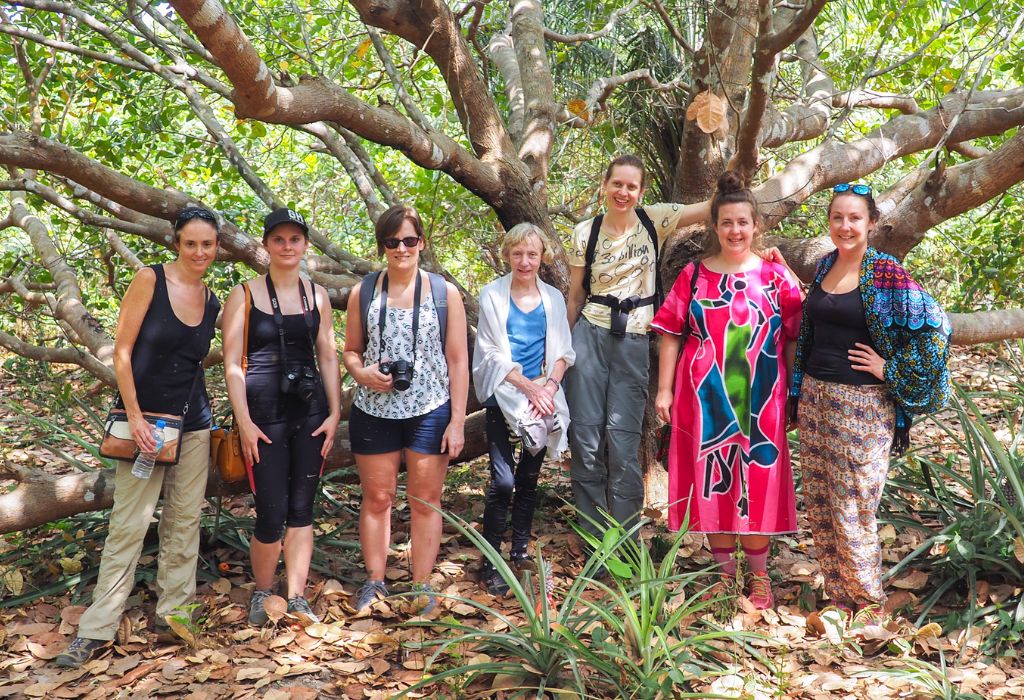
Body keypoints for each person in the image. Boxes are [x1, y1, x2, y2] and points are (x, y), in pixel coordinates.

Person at [56, 207, 221, 668]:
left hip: (193, 426)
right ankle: (97, 629)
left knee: (185, 523)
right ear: (177, 243)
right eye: (191, 243)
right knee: (129, 525)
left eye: (207, 244)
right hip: (143, 425)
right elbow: (122, 351)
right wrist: (135, 416)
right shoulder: (151, 279)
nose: (200, 252)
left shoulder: (211, 300)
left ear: (217, 248)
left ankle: (176, 615)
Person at [787, 183, 951, 624]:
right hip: (817, 400)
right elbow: (808, 333)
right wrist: (798, 392)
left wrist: (889, 368)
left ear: (871, 223)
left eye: (854, 218)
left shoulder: (886, 274)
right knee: (821, 502)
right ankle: (840, 597)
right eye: (837, 217)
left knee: (854, 503)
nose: (845, 225)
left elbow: (936, 328)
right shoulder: (825, 265)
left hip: (862, 405)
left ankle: (869, 605)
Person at [650, 172, 803, 609]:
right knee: (714, 480)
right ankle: (723, 577)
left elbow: (793, 334)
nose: (736, 231)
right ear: (714, 227)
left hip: (763, 396)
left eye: (743, 223)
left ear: (755, 225)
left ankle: (758, 577)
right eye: (727, 223)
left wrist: (793, 392)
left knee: (758, 477)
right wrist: (664, 391)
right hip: (704, 396)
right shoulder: (694, 276)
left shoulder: (776, 276)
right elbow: (671, 334)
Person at [565, 154, 708, 547]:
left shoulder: (654, 219)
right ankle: (593, 536)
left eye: (631, 186)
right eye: (617, 184)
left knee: (624, 439)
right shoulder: (585, 232)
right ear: (604, 186)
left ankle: (625, 540)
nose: (623, 192)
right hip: (590, 335)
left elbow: (716, 208)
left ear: (641, 191)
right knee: (586, 437)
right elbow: (576, 294)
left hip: (633, 339)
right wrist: (562, 350)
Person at [343, 205, 468, 614]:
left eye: (409, 240)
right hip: (374, 409)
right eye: (392, 241)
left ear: (422, 243)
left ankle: (421, 585)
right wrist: (361, 374)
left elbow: (458, 361)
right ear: (383, 246)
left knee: (425, 500)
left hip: (429, 408)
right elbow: (350, 351)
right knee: (377, 498)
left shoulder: (443, 293)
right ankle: (375, 581)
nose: (402, 248)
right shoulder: (365, 291)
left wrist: (457, 422)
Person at [222, 207, 342, 626]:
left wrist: (334, 411)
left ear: (305, 244)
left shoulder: (318, 295)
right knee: (270, 512)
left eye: (295, 239)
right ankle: (262, 591)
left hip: (309, 413)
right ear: (266, 245)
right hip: (263, 416)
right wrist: (244, 422)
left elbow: (328, 355)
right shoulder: (245, 293)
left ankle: (296, 595)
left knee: (302, 509)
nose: (287, 246)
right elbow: (234, 363)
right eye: (279, 239)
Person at [473, 223, 575, 596]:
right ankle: (490, 559)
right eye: (518, 253)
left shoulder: (553, 299)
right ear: (507, 255)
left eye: (532, 254)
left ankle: (519, 552)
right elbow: (490, 353)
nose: (525, 261)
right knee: (503, 481)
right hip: (505, 395)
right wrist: (529, 387)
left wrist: (547, 388)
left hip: (543, 398)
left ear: (542, 257)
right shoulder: (492, 295)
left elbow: (564, 352)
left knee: (529, 479)